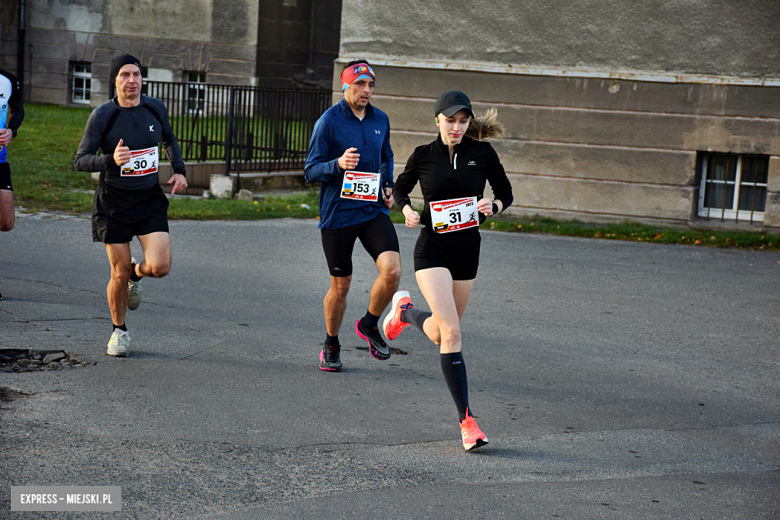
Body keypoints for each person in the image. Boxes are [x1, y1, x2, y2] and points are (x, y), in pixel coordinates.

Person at [384, 91, 513, 450]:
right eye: (450, 120)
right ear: (437, 120)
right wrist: (406, 210)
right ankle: (467, 423)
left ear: (469, 123)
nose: (456, 127)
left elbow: (505, 191)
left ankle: (405, 312)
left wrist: (495, 204)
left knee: (442, 335)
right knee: (454, 333)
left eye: (463, 121)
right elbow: (400, 188)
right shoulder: (423, 155)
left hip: (467, 250)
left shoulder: (482, 154)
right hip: (432, 248)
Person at [74, 54, 188, 357]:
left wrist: (179, 170)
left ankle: (138, 275)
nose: (132, 81)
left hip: (149, 199)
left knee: (160, 267)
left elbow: (169, 139)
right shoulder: (102, 115)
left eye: (136, 75)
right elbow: (80, 160)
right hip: (113, 203)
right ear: (115, 80)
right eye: (125, 75)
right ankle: (119, 331)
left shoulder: (155, 108)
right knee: (118, 272)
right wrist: (111, 159)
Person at [304, 60, 400, 372]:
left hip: (371, 209)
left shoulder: (380, 119)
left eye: (371, 85)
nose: (367, 91)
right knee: (341, 286)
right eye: (360, 84)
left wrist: (387, 185)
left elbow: (386, 156)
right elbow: (310, 170)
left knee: (393, 271)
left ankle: (369, 324)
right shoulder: (328, 122)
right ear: (346, 85)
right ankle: (331, 343)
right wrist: (338, 164)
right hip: (338, 215)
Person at [0, 69, 25, 300]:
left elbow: (19, 111)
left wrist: (10, 131)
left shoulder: (7, 80)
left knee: (5, 222)